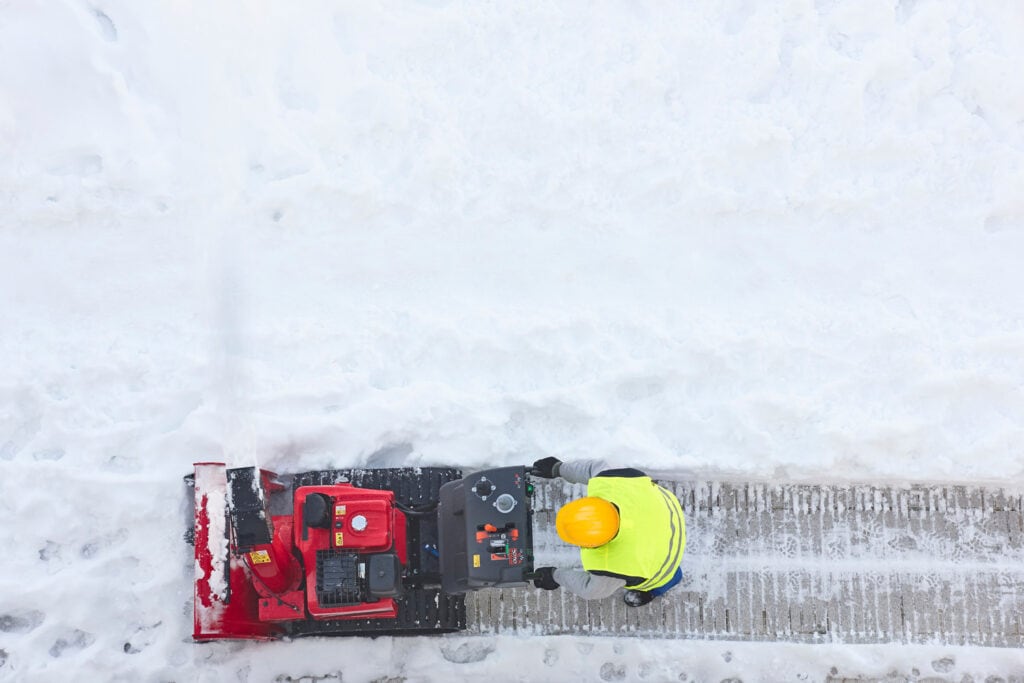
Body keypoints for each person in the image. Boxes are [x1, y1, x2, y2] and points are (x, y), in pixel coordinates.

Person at [528, 457, 686, 607]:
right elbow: (591, 468)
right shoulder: (612, 480)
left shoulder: (614, 570)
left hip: (665, 555)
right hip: (668, 511)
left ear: (593, 544)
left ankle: (659, 588)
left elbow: (589, 590)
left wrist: (554, 576)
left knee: (664, 576)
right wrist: (558, 468)